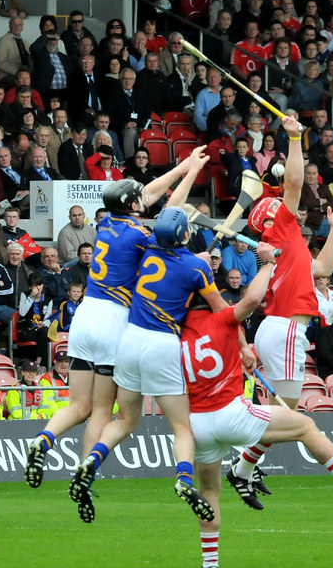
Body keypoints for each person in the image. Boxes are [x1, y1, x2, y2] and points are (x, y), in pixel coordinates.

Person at [24, 150, 212, 521]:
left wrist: (184, 165)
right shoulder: (143, 235)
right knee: (100, 409)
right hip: (114, 321)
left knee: (76, 406)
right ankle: (85, 472)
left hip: (85, 316)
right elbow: (170, 210)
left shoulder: (106, 222)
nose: (144, 198)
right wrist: (189, 175)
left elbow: (149, 196)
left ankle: (43, 439)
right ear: (133, 204)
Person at [182, 258, 333, 568]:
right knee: (304, 425)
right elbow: (250, 301)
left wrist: (242, 350)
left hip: (198, 423)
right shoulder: (223, 319)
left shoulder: (177, 332)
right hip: (231, 412)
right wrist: (266, 265)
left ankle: (209, 564)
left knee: (208, 493)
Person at [67, 205, 228, 524]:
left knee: (126, 420)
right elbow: (221, 308)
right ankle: (184, 478)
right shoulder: (196, 268)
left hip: (129, 343)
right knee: (182, 427)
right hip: (162, 345)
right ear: (185, 236)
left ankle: (92, 461)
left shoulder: (146, 251)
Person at [248, 115, 333, 411]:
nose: (290, 208)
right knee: (288, 418)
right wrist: (293, 139)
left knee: (280, 415)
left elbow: (323, 270)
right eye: (280, 206)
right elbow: (293, 184)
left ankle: (244, 460)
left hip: (279, 328)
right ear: (271, 214)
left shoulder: (288, 242)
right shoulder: (279, 227)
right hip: (287, 328)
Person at [36, 351, 69, 419]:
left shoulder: (75, 378)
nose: (63, 364)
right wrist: (61, 417)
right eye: (60, 361)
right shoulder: (46, 379)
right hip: (57, 419)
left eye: (66, 361)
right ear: (55, 362)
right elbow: (49, 403)